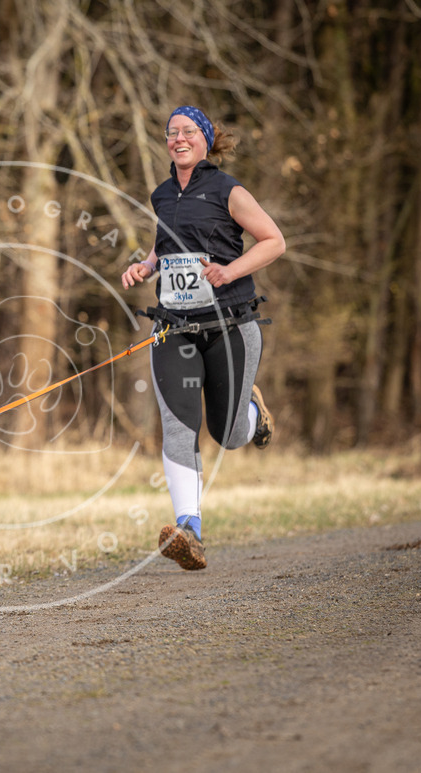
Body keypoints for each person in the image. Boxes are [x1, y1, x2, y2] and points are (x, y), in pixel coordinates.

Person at [121, 105, 285, 571]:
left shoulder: (227, 189)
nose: (178, 138)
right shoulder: (162, 194)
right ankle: (187, 529)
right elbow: (169, 240)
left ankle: (252, 412)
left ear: (205, 138)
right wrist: (147, 265)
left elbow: (274, 240)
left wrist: (229, 270)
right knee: (178, 426)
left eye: (188, 131)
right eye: (171, 133)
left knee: (228, 434)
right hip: (175, 327)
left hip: (231, 326)